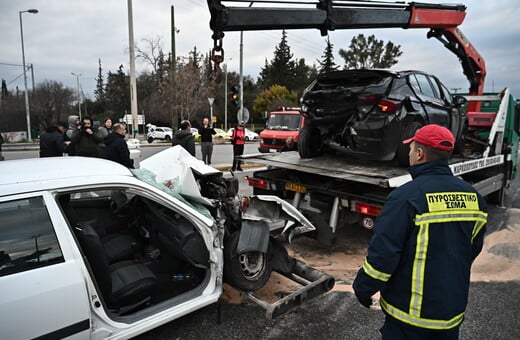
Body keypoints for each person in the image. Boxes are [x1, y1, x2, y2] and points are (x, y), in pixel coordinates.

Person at [353, 124, 488, 339]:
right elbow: (471, 249)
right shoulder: (474, 197)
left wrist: (363, 288)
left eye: (411, 148)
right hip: (450, 313)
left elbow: (384, 255)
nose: (408, 153)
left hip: (409, 318)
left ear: (419, 153)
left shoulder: (405, 197)